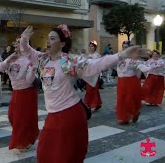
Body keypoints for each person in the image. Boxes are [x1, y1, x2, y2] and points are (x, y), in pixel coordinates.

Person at [19, 25, 148, 163]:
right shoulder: (43, 59)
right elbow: (27, 51)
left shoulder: (67, 62)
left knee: (66, 156)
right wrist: (24, 38)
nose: (48, 41)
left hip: (69, 114)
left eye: (52, 38)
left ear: (62, 43)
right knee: (44, 153)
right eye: (48, 39)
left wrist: (122, 54)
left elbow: (97, 64)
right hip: (53, 115)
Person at [0, 39, 39, 154]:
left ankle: (25, 141)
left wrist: (33, 69)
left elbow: (29, 80)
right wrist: (9, 59)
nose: (16, 49)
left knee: (23, 119)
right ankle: (27, 138)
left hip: (27, 93)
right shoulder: (11, 58)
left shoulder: (29, 59)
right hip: (16, 93)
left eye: (18, 47)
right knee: (12, 116)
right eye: (15, 47)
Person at [116, 41, 157, 125]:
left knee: (129, 100)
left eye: (126, 47)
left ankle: (131, 115)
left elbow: (143, 68)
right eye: (123, 47)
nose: (125, 48)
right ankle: (124, 117)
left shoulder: (134, 60)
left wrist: (152, 66)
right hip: (121, 82)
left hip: (130, 82)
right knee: (121, 100)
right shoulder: (118, 58)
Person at [84, 40, 102, 111]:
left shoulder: (97, 56)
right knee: (90, 90)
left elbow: (100, 65)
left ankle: (88, 104)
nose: (91, 47)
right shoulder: (87, 55)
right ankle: (97, 103)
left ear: (95, 47)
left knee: (93, 90)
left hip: (95, 75)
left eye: (92, 46)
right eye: (90, 46)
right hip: (88, 75)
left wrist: (100, 74)